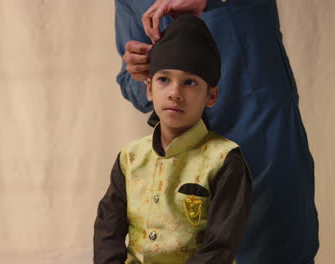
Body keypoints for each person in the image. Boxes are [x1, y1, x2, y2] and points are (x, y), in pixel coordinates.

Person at [115, 0, 319, 263]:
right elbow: (128, 82)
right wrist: (142, 75)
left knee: (276, 250)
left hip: (261, 140)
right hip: (181, 163)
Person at [94, 15, 252, 264]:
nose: (175, 93)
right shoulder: (130, 158)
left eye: (190, 83)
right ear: (149, 88)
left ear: (211, 96)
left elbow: (220, 246)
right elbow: (108, 231)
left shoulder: (225, 161)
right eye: (164, 80)